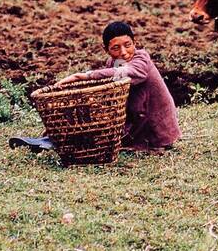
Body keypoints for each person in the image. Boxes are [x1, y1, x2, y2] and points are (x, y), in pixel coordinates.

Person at [59, 20, 181, 152]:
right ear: (106, 50)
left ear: (135, 43)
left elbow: (127, 73)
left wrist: (84, 76)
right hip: (135, 120)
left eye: (128, 45)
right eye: (116, 48)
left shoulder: (141, 59)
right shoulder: (112, 62)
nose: (123, 52)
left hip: (155, 128)